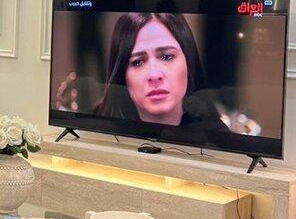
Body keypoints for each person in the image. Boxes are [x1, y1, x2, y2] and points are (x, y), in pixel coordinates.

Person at [55, 11, 261, 134]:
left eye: (167, 57)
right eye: (137, 62)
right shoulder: (96, 132)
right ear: (122, 75)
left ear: (188, 62)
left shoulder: (217, 138)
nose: (154, 75)